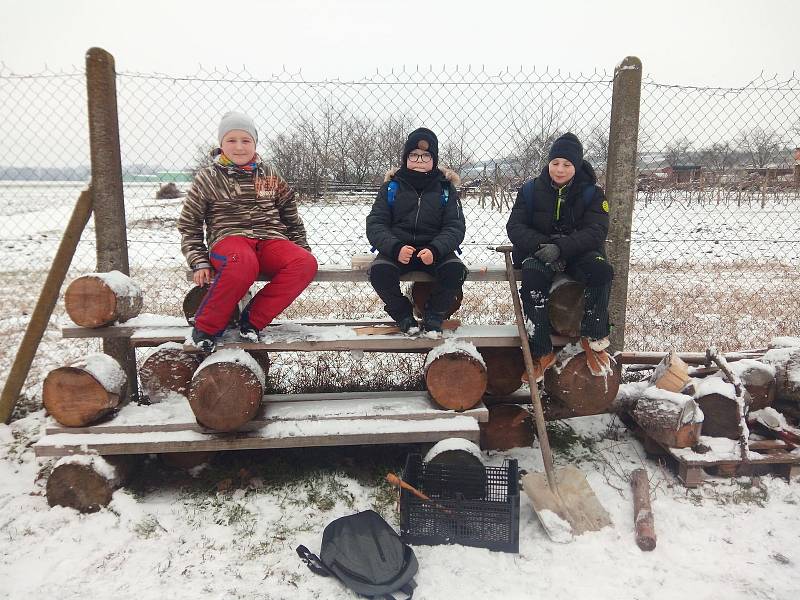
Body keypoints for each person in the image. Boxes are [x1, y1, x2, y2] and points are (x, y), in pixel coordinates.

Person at [178, 111, 318, 352]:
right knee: (242, 262)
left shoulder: (271, 176)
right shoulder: (208, 178)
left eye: (246, 141)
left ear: (254, 143)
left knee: (305, 263)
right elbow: (189, 225)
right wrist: (199, 261)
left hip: (270, 239)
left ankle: (252, 321)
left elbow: (291, 219)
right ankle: (207, 328)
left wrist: (300, 247)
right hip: (229, 240)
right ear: (221, 144)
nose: (239, 147)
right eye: (231, 140)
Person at [506, 132, 613, 381]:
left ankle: (593, 336)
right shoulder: (531, 190)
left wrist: (563, 248)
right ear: (548, 163)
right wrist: (543, 246)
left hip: (578, 253)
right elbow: (515, 227)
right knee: (532, 279)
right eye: (555, 163)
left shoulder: (592, 194)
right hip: (541, 253)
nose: (560, 169)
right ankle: (542, 351)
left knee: (601, 271)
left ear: (576, 166)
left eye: (567, 164)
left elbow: (596, 230)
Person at [366, 128, 467, 334]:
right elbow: (376, 223)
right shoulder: (391, 187)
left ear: (434, 159)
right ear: (405, 158)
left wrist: (436, 249)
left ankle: (434, 315)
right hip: (398, 248)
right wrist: (395, 248)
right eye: (414, 155)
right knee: (379, 272)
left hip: (433, 249)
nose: (419, 159)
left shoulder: (445, 189)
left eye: (426, 155)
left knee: (455, 270)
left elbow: (455, 226)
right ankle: (403, 315)